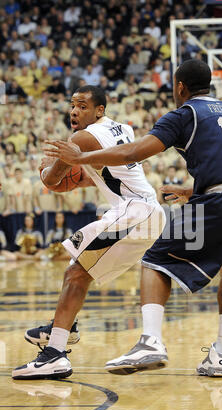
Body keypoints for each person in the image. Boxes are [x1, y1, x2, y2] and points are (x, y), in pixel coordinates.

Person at [43, 59, 222, 378]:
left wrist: (81, 158)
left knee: (154, 261)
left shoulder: (186, 113)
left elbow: (131, 153)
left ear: (180, 87)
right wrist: (192, 189)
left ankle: (151, 342)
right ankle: (219, 355)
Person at [12, 85, 165, 380]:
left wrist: (46, 169)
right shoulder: (123, 129)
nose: (74, 111)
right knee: (77, 269)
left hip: (132, 213)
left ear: (99, 111)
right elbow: (103, 173)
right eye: (73, 105)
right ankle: (65, 326)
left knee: (74, 273)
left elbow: (53, 179)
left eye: (82, 106)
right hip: (146, 213)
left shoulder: (81, 137)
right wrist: (75, 176)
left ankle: (55, 353)